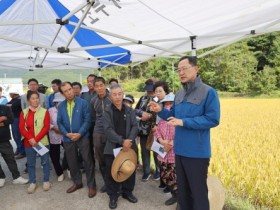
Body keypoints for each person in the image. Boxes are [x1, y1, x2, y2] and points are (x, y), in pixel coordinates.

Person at [148, 55, 220, 210]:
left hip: (196, 152)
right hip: (179, 151)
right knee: (183, 193)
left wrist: (184, 122)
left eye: (184, 68)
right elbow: (172, 115)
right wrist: (160, 110)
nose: (181, 72)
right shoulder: (179, 93)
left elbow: (213, 119)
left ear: (196, 68)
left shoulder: (208, 92)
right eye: (179, 70)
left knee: (198, 193)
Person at [57, 82, 96, 198]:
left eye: (70, 89)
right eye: (66, 91)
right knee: (72, 162)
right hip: (68, 138)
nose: (69, 92)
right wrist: (66, 134)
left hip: (82, 136)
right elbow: (59, 122)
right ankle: (77, 183)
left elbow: (88, 120)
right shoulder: (61, 106)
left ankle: (91, 185)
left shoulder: (83, 103)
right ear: (62, 93)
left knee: (87, 161)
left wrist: (79, 133)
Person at [102, 84, 138, 209]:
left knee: (129, 169)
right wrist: (122, 141)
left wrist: (129, 140)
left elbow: (135, 126)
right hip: (112, 147)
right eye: (114, 94)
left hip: (129, 146)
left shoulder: (130, 110)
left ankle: (127, 192)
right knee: (111, 172)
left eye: (119, 94)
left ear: (123, 94)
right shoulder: (107, 111)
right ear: (110, 96)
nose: (117, 97)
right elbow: (107, 130)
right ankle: (113, 195)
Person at [19, 90, 51, 194]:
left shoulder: (45, 111)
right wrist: (31, 139)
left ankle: (46, 181)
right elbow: (21, 128)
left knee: (45, 162)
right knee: (31, 164)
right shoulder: (23, 112)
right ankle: (32, 182)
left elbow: (46, 127)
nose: (35, 100)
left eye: (37, 98)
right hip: (29, 143)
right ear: (29, 100)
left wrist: (36, 140)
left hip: (42, 142)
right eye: (33, 98)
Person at [153, 93, 177, 206]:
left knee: (175, 175)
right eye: (165, 104)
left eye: (170, 103)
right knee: (165, 174)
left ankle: (179, 198)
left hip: (174, 152)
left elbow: (182, 134)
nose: (168, 106)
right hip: (162, 151)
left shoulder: (177, 119)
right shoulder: (161, 119)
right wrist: (162, 141)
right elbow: (156, 131)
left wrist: (172, 143)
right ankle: (174, 195)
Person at [135, 78, 160, 181]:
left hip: (156, 131)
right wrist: (142, 114)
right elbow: (135, 110)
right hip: (143, 130)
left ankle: (159, 171)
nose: (150, 92)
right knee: (145, 151)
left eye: (152, 90)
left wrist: (150, 116)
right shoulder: (142, 98)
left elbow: (163, 114)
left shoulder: (160, 100)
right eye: (148, 90)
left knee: (157, 151)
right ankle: (146, 171)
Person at [90, 76, 111, 193]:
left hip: (112, 131)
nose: (99, 88)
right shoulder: (93, 101)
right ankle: (107, 183)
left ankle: (117, 183)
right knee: (101, 158)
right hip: (98, 131)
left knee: (113, 158)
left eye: (101, 85)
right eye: (96, 86)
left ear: (105, 85)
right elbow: (94, 117)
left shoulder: (112, 97)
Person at [0, 104, 28, 188]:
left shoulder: (5, 108)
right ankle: (1, 177)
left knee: (10, 159)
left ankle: (16, 177)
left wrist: (4, 121)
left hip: (4, 139)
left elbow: (11, 119)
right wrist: (1, 118)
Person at [153, 81, 170, 192]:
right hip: (158, 135)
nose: (158, 93)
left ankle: (170, 185)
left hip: (167, 137)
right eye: (156, 91)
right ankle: (163, 182)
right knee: (160, 159)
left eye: (160, 91)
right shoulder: (156, 103)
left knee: (169, 162)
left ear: (166, 92)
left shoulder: (169, 105)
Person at [48, 92, 65, 182]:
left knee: (70, 153)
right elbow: (46, 123)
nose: (60, 104)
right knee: (54, 155)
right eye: (58, 102)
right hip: (54, 136)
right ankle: (59, 173)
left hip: (65, 136)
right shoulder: (50, 111)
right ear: (55, 103)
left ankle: (68, 168)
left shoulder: (67, 110)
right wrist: (53, 128)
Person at [6, 87, 25, 159]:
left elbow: (11, 106)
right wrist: (9, 105)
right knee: (15, 136)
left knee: (18, 136)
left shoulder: (19, 100)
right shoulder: (13, 100)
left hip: (17, 119)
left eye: (10, 93)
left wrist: (9, 105)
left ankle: (22, 152)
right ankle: (19, 149)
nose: (9, 94)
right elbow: (7, 105)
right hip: (14, 119)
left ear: (14, 94)